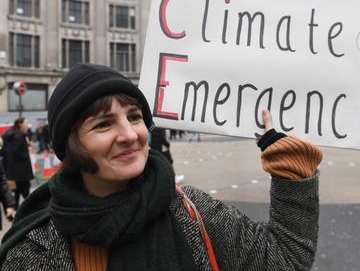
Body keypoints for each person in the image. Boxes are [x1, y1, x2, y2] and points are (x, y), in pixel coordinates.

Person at [0, 63, 323, 270]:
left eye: (135, 117)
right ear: (69, 146)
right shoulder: (35, 249)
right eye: (103, 125)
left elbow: (284, 261)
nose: (129, 135)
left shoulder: (193, 210)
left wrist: (291, 170)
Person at [5, 117, 34, 208]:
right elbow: (16, 150)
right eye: (25, 122)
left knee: (18, 190)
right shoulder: (19, 135)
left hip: (16, 170)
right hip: (21, 170)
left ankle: (15, 207)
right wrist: (25, 157)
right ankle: (30, 208)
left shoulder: (15, 133)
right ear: (20, 124)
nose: (27, 124)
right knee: (25, 190)